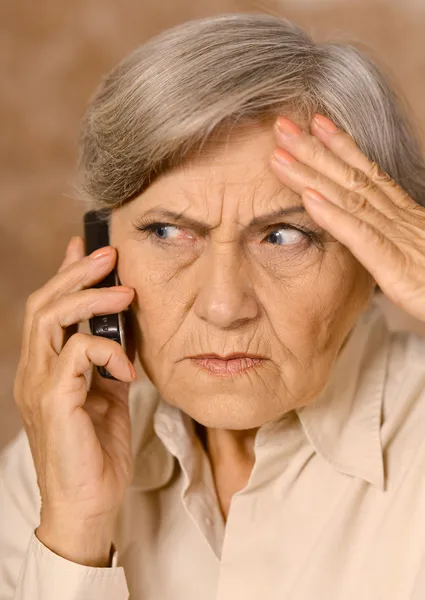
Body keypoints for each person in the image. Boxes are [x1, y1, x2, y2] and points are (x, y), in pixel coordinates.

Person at [2, 11, 425, 600]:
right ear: (103, 251)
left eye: (284, 236)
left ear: (377, 259)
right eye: (169, 233)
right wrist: (74, 532)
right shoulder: (56, 453)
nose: (224, 306)